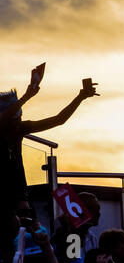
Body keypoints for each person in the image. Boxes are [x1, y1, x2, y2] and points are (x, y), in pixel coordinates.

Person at [0, 75, 98, 209]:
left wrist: (80, 97)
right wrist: (26, 96)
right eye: (16, 117)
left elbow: (59, 119)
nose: (20, 120)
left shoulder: (19, 129)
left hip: (20, 195)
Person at [51, 192, 101, 263]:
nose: (99, 213)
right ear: (81, 211)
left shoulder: (92, 238)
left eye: (98, 209)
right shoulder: (62, 236)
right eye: (93, 209)